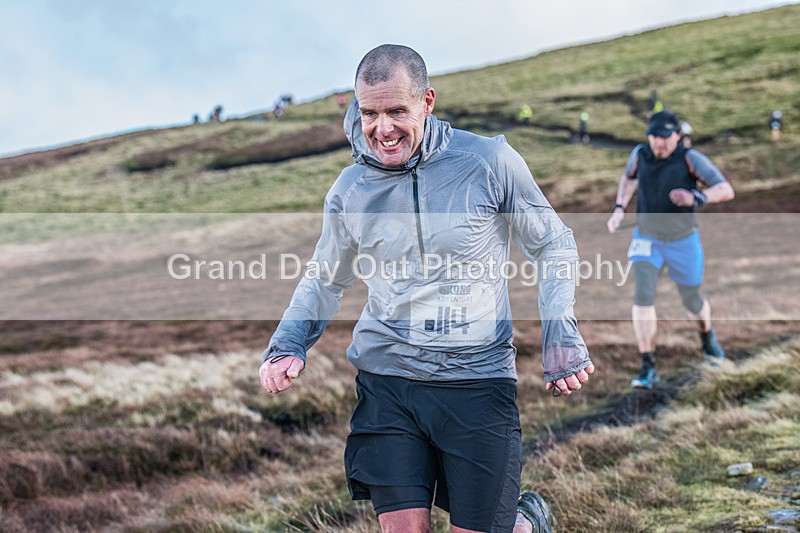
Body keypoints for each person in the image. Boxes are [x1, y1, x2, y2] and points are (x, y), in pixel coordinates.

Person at [259, 44, 594, 533]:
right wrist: (289, 343)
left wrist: (560, 331)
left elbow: (553, 244)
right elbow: (325, 278)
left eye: (397, 111)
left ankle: (523, 524)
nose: (383, 128)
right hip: (388, 380)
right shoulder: (351, 190)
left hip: (476, 380)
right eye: (369, 113)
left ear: (427, 102)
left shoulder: (488, 162)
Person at [607, 110, 734, 389]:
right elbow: (628, 177)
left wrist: (697, 196)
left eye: (665, 137)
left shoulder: (690, 158)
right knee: (643, 295)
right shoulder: (640, 154)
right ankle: (648, 366)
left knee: (692, 299)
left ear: (677, 135)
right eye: (654, 137)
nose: (659, 143)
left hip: (682, 240)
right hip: (647, 238)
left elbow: (725, 189)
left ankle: (707, 338)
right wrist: (619, 208)